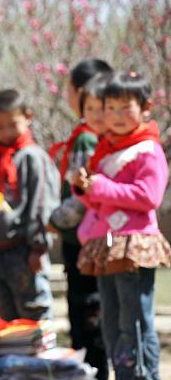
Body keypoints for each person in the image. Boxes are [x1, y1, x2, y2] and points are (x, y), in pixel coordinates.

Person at [73, 72, 171, 380]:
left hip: (134, 244)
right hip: (108, 246)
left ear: (145, 107)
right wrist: (85, 189)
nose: (114, 116)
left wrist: (100, 187)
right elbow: (103, 204)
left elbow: (149, 196)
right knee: (112, 322)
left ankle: (145, 375)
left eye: (124, 107)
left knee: (135, 321)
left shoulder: (148, 150)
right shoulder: (108, 150)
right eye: (109, 107)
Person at [48, 59, 112, 380]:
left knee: (88, 318)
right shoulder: (94, 135)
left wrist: (54, 221)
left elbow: (79, 194)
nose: (68, 97)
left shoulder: (87, 138)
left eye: (71, 90)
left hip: (83, 242)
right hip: (91, 241)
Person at [0, 89, 59, 321]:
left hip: (23, 251)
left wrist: (39, 247)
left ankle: (41, 358)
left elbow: (42, 205)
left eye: (12, 125)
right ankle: (16, 358)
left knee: (34, 312)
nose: (6, 132)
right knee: (8, 319)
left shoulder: (32, 157)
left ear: (28, 117)